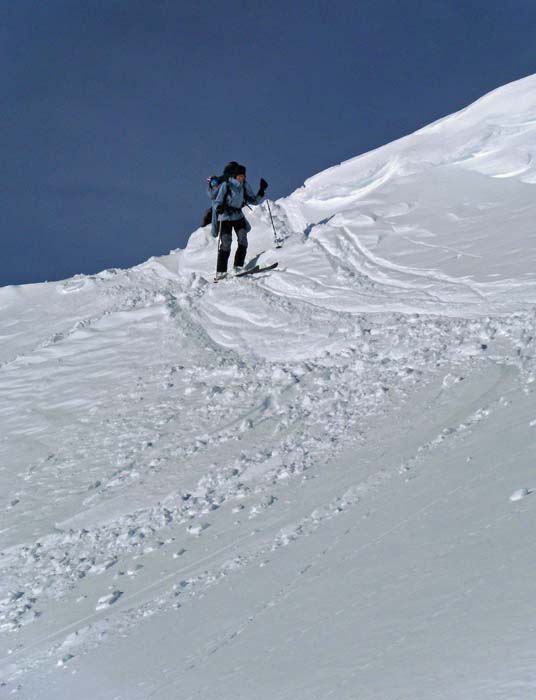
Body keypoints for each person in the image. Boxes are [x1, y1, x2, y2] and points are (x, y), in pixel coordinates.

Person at [213, 163, 268, 280]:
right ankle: (221, 272)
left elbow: (253, 200)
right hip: (225, 217)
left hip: (238, 216)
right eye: (239, 176)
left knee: (243, 239)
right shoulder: (226, 185)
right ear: (234, 175)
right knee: (226, 242)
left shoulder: (244, 186)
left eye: (243, 176)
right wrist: (220, 208)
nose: (241, 178)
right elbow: (218, 201)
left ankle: (238, 267)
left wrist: (261, 190)